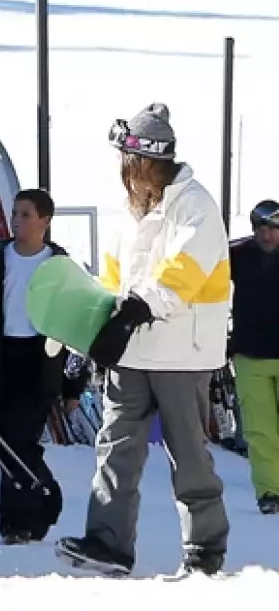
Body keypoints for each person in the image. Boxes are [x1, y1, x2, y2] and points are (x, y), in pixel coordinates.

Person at [56, 103, 230, 577]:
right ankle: (107, 541)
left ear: (146, 161)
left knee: (188, 453)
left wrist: (133, 312)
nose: (123, 172)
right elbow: (112, 282)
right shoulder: (128, 213)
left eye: (127, 162)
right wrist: (93, 331)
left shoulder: (195, 207)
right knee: (116, 444)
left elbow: (181, 276)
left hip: (182, 353)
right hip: (132, 351)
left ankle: (204, 549)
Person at [0, 188, 82, 544]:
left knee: (19, 440)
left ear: (44, 221)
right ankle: (42, 495)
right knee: (2, 443)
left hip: (39, 362)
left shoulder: (60, 265)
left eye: (25, 214)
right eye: (15, 213)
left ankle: (16, 522)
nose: (17, 220)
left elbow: (76, 325)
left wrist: (73, 387)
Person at [228, 199, 279, 514]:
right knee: (260, 431)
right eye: (261, 228)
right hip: (250, 355)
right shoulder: (237, 255)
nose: (267, 235)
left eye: (274, 229)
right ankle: (270, 492)